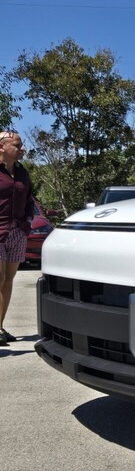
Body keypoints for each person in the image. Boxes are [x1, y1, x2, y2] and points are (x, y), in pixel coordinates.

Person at [0, 128, 34, 346]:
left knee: (8, 280)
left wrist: (28, 220)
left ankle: (0, 327)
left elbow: (29, 198)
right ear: (1, 146)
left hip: (17, 231)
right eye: (17, 145)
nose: (22, 148)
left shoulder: (22, 172)